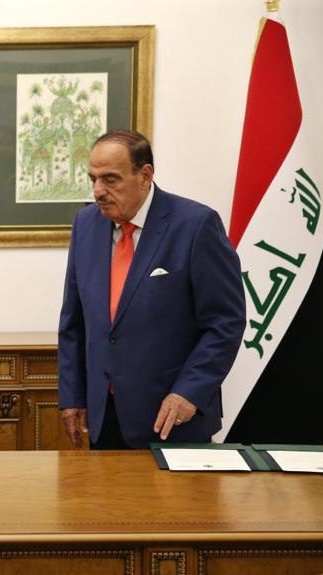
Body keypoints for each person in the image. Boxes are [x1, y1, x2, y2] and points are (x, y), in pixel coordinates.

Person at [58, 129, 245, 449]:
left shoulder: (196, 224)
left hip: (173, 416)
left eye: (110, 179)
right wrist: (73, 394)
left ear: (145, 176)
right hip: (105, 417)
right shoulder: (86, 224)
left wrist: (190, 391)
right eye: (93, 179)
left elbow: (225, 322)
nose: (98, 191)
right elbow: (73, 321)